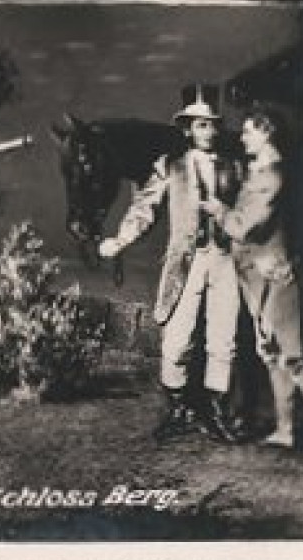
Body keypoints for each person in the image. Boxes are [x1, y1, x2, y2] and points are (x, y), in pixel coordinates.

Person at [98, 84, 245, 443]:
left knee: (223, 340)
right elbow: (144, 207)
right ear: (187, 129)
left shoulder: (236, 167)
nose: (206, 132)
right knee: (178, 341)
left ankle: (215, 411)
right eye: (199, 125)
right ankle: (179, 409)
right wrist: (121, 239)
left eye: (211, 125)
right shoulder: (170, 167)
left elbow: (253, 214)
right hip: (186, 264)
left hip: (226, 261)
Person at [204, 103, 303, 448]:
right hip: (255, 276)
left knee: (293, 359)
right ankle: (285, 430)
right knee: (271, 353)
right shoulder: (260, 172)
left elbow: (243, 225)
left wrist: (218, 210)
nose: (243, 137)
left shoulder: (271, 177)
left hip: (273, 275)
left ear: (266, 133)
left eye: (249, 131)